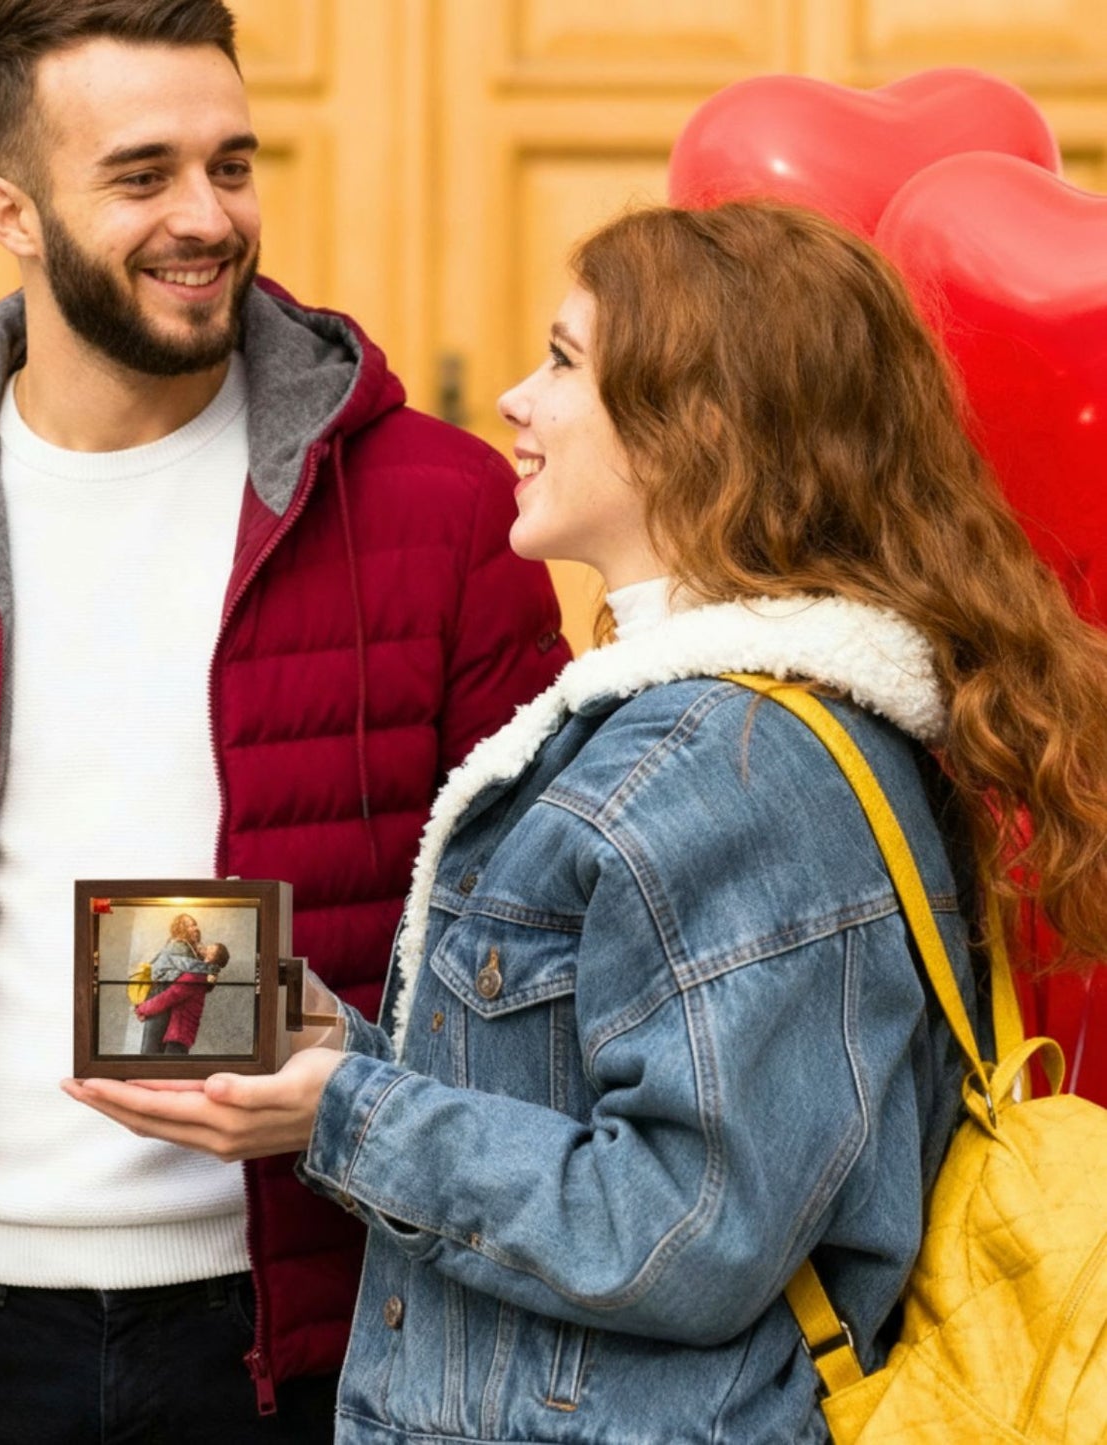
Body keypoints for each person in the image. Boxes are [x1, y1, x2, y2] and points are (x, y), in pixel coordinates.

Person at [64, 200, 1107, 1442]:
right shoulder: (685, 727)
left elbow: (681, 1226)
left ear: (693, 430)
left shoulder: (727, 764)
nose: (512, 398)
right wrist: (319, 1042)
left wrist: (339, 1113)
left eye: (563, 362)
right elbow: (569, 1092)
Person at [0, 0, 567, 1439]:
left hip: (318, 1315)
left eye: (230, 164)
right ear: (13, 210)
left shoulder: (438, 508)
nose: (207, 216)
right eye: (142, 175)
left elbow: (539, 906)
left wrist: (362, 1104)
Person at [131, 912, 204, 1053]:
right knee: (155, 1046)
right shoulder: (180, 946)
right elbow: (187, 975)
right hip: (163, 996)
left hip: (160, 996)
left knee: (153, 1045)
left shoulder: (173, 944)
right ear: (180, 928)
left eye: (195, 925)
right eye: (191, 925)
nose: (195, 928)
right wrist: (209, 969)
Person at [138, 942, 230, 1055]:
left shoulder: (195, 977)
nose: (206, 946)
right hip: (182, 1033)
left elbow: (168, 997)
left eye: (211, 947)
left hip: (179, 1033)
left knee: (171, 1070)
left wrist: (142, 1009)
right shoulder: (203, 975)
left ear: (211, 957)